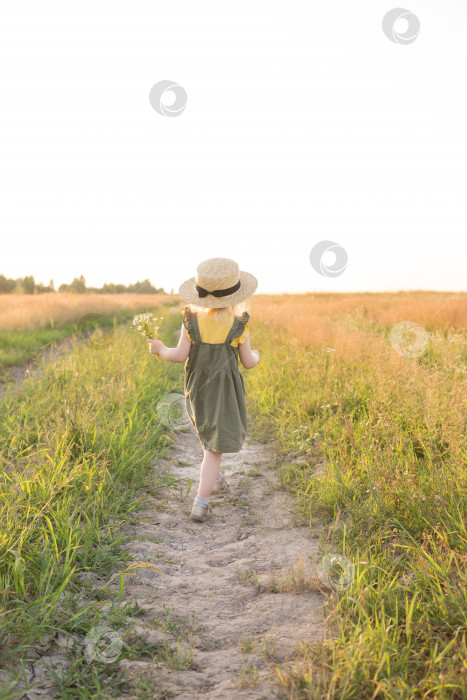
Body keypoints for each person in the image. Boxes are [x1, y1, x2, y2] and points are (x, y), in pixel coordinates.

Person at [148, 257, 260, 522]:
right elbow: (248, 362)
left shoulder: (192, 320)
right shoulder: (239, 324)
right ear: (236, 294)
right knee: (214, 449)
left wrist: (161, 349)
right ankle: (201, 503)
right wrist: (256, 354)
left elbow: (178, 355)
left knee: (208, 433)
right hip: (224, 391)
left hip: (198, 388)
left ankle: (216, 479)